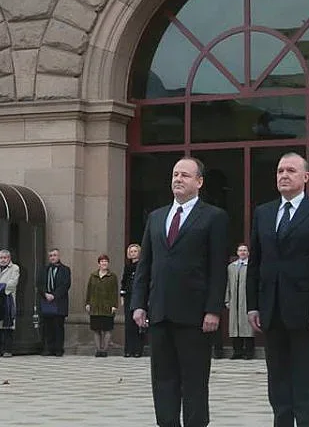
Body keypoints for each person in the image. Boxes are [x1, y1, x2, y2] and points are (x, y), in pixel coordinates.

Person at [246, 152, 309, 427]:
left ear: (305, 177)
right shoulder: (264, 213)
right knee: (278, 386)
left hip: (308, 314)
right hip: (272, 312)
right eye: (279, 171)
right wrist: (253, 305)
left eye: (290, 170)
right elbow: (256, 263)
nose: (283, 175)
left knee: (306, 386)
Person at [131, 156, 228, 427]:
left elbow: (217, 268)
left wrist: (213, 310)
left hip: (195, 316)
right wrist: (139, 304)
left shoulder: (214, 217)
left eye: (185, 175)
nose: (178, 179)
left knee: (194, 381)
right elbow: (145, 266)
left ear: (199, 181)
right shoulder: (156, 217)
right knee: (163, 381)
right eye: (175, 174)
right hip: (160, 313)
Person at [38, 248, 71, 356]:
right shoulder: (44, 269)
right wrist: (45, 294)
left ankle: (58, 349)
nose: (53, 257)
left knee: (58, 326)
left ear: (59, 256)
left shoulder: (65, 269)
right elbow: (39, 283)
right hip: (46, 301)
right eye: (51, 256)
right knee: (47, 327)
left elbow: (66, 285)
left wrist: (54, 295)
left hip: (59, 301)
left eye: (55, 255)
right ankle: (48, 348)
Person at [224, 244, 254, 360]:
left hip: (246, 301)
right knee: (234, 326)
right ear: (237, 252)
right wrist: (227, 299)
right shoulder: (231, 267)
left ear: (248, 253)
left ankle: (249, 352)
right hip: (234, 300)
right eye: (240, 250)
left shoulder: (250, 266)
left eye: (244, 250)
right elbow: (228, 284)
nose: (242, 252)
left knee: (247, 327)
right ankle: (237, 351)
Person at [86, 254, 119, 357]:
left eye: (106, 261)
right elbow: (89, 290)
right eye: (102, 261)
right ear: (99, 263)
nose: (104, 263)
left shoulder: (112, 277)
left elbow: (115, 291)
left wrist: (114, 305)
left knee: (107, 329)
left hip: (107, 306)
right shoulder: (93, 276)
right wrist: (87, 303)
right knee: (96, 329)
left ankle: (104, 350)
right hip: (95, 306)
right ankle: (98, 349)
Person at [119, 243, 145, 357]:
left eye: (135, 251)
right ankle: (128, 349)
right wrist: (122, 295)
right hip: (129, 296)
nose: (133, 253)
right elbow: (124, 282)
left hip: (140, 296)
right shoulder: (128, 267)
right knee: (129, 323)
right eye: (131, 251)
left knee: (138, 323)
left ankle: (138, 350)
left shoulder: (143, 265)